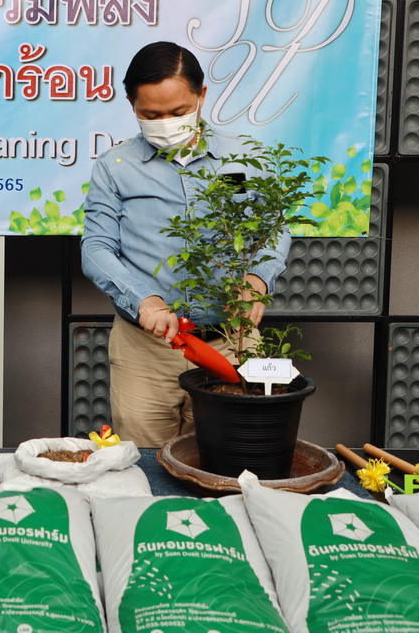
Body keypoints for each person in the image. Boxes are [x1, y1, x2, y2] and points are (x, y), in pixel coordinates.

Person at [81, 41, 290, 448]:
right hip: (146, 351)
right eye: (151, 115)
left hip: (230, 342)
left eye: (179, 112)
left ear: (201, 96)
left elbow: (272, 227)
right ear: (131, 104)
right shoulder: (115, 167)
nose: (167, 123)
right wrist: (144, 299)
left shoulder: (244, 158)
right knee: (144, 462)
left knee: (228, 457)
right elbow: (96, 248)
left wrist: (257, 279)